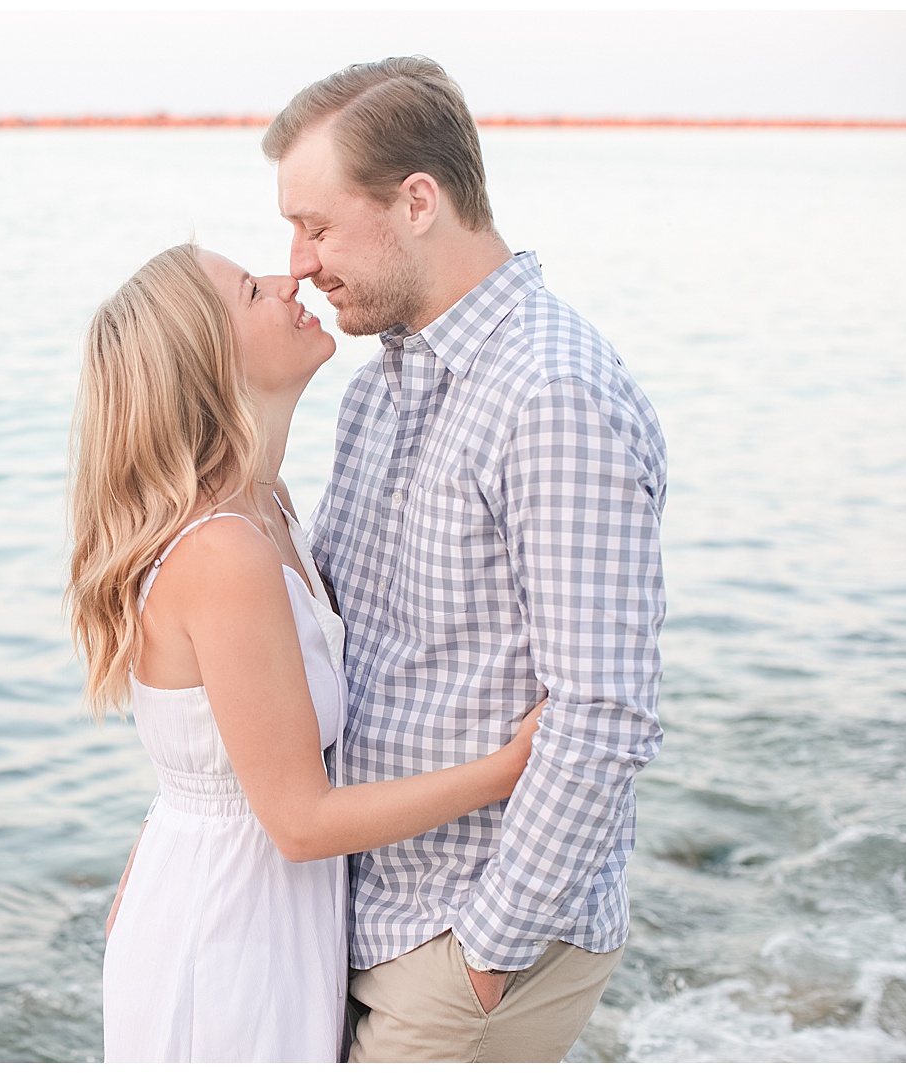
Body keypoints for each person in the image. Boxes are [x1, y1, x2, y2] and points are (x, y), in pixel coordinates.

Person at [261, 56, 668, 1062]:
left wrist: (489, 949)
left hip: (469, 936)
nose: (299, 262)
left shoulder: (549, 393)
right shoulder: (374, 391)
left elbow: (603, 709)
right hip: (359, 909)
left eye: (316, 225)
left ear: (416, 201)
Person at [67, 243, 545, 1062]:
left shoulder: (267, 504)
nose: (289, 280)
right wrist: (508, 769)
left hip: (262, 907)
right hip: (228, 932)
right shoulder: (223, 553)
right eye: (254, 290)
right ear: (212, 365)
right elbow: (298, 819)